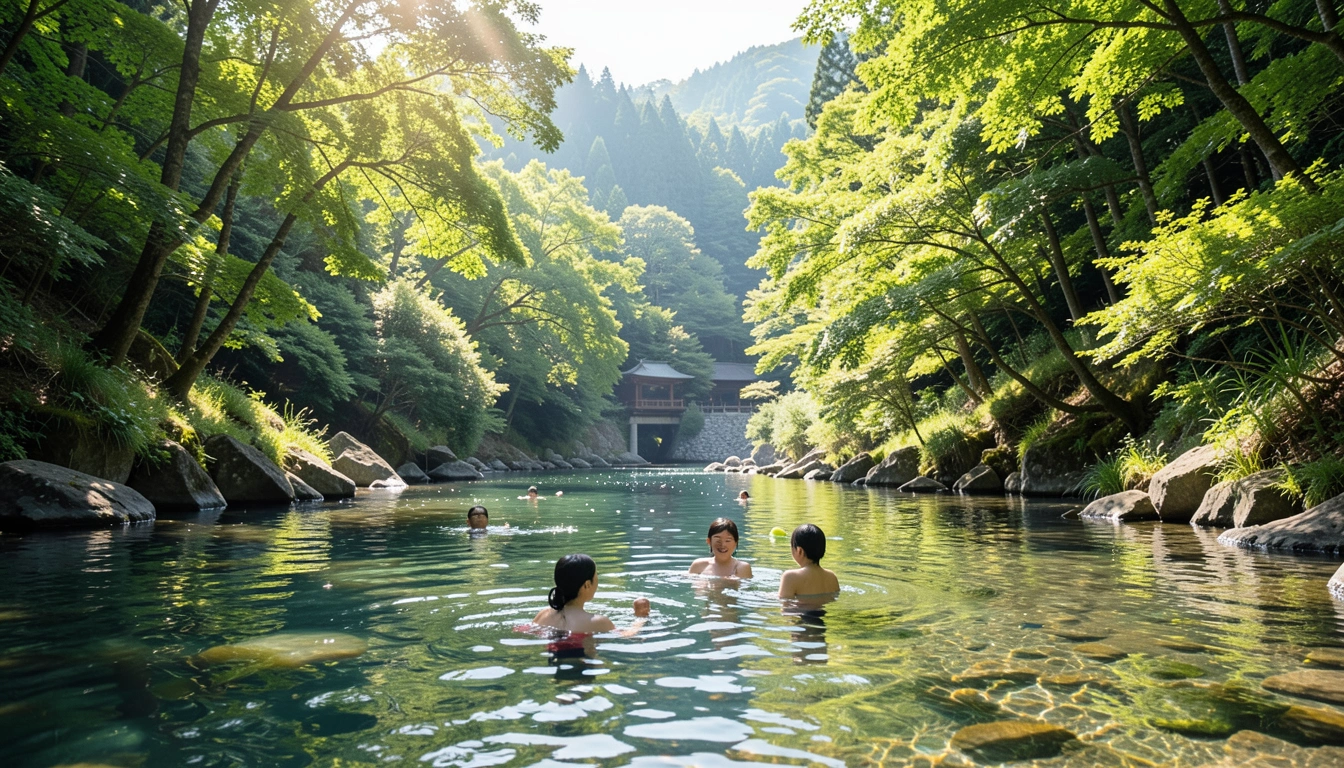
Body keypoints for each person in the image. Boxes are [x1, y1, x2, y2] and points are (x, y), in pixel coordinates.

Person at [533, 554, 649, 635]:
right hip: (584, 666)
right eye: (596, 575)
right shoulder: (599, 622)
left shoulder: (543, 614)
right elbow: (629, 635)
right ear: (587, 585)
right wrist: (641, 616)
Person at [778, 524, 839, 601]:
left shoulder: (790, 577)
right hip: (822, 612)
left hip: (800, 612)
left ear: (799, 551)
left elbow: (785, 607)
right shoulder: (832, 577)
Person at [688, 518, 753, 579]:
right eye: (718, 540)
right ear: (709, 541)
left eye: (728, 540)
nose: (723, 545)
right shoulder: (698, 565)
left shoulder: (742, 567)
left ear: (735, 543)